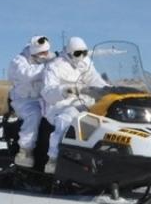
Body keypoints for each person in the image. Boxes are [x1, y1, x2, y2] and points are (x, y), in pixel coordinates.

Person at [41, 37, 108, 174]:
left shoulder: (86, 63)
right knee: (67, 118)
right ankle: (53, 159)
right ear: (69, 53)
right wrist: (63, 91)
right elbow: (47, 91)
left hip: (83, 103)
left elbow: (96, 80)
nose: (81, 56)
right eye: (78, 53)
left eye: (84, 53)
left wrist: (109, 89)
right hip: (59, 105)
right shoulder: (55, 66)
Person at [6, 35, 54, 167]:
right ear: (34, 52)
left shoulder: (49, 58)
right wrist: (49, 67)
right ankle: (25, 151)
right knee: (34, 114)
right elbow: (28, 74)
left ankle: (53, 154)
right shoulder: (18, 61)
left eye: (46, 52)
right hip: (24, 100)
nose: (45, 55)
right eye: (42, 53)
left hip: (44, 98)